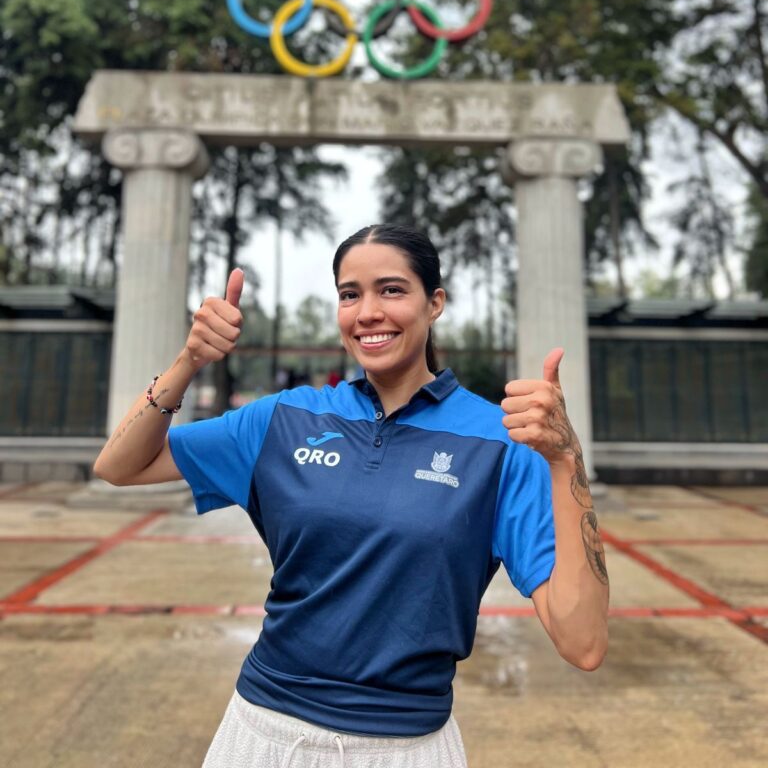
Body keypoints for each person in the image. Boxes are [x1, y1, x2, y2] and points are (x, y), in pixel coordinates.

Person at [93, 223, 609, 768]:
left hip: (406, 747)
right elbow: (119, 465)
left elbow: (583, 643)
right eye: (349, 294)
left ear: (434, 303)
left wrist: (564, 459)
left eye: (391, 290)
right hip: (261, 733)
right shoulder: (284, 419)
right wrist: (188, 362)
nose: (367, 312)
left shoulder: (501, 444)